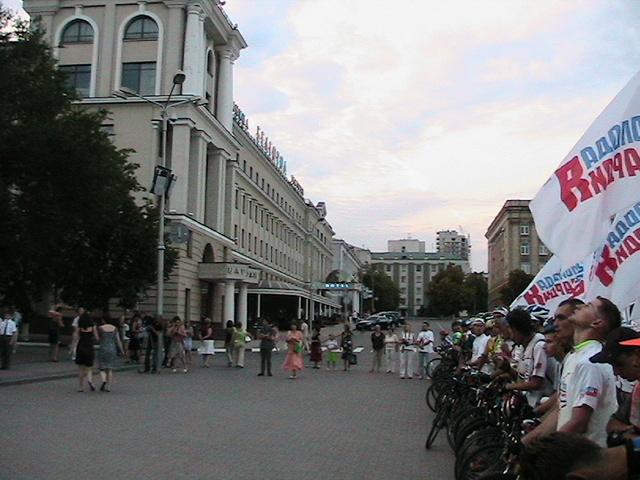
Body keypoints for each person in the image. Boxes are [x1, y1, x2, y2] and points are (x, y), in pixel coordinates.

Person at [549, 297, 620, 446]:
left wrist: (545, 448)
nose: (579, 307)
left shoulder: (591, 361)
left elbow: (579, 423)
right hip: (571, 453)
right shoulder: (574, 356)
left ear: (597, 323)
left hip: (587, 458)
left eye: (588, 306)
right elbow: (563, 409)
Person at [587, 327, 640, 442]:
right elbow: (613, 424)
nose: (616, 372)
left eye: (619, 364)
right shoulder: (637, 390)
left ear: (637, 355)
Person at [504, 308, 549, 408]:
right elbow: (522, 378)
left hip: (541, 405)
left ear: (517, 329)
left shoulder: (539, 345)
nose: (511, 337)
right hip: (528, 401)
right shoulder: (524, 346)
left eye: (511, 331)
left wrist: (509, 387)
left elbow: (536, 383)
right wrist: (506, 368)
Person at [97, 316, 125, 391]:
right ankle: (109, 387)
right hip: (112, 349)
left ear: (103, 320)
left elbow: (99, 339)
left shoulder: (100, 328)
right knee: (110, 369)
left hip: (103, 348)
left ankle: (103, 380)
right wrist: (122, 350)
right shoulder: (115, 328)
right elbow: (118, 341)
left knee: (102, 367)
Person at [75, 312, 98, 392]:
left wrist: (72, 347)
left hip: (81, 346)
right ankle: (90, 380)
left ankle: (80, 387)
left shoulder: (80, 326)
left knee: (81, 369)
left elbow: (76, 336)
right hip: (89, 346)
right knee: (89, 367)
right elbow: (96, 337)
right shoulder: (93, 326)